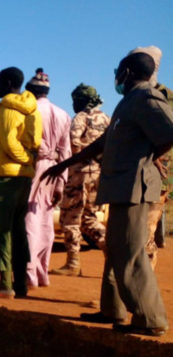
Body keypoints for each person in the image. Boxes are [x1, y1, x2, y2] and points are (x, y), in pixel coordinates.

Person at [42, 51, 173, 336]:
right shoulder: (127, 102)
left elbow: (169, 132)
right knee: (116, 250)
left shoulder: (147, 98)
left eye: (120, 70)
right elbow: (102, 142)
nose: (116, 75)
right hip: (119, 186)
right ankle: (112, 310)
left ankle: (150, 319)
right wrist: (63, 164)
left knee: (130, 253)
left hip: (134, 188)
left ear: (128, 72)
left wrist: (150, 157)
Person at [0, 67, 42, 299]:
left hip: (7, 176)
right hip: (24, 177)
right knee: (18, 229)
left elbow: (8, 142)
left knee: (1, 229)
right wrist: (29, 161)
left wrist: (24, 158)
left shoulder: (8, 107)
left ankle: (5, 284)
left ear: (8, 83)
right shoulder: (32, 108)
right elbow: (36, 139)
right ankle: (20, 283)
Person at [51, 84, 109, 276]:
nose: (73, 104)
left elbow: (74, 146)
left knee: (70, 217)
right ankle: (111, 251)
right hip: (98, 174)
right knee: (90, 218)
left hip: (79, 174)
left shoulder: (81, 118)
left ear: (83, 100)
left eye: (75, 100)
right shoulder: (106, 118)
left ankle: (73, 262)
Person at [22, 69, 71, 288]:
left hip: (33, 166)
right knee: (45, 222)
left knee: (29, 220)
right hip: (55, 168)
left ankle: (28, 273)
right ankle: (42, 273)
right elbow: (66, 152)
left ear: (30, 91)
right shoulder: (62, 114)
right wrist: (61, 182)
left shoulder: (28, 110)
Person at [130, 46, 172, 270]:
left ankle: (145, 295)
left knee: (145, 235)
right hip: (133, 178)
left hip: (157, 179)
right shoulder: (135, 97)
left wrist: (156, 154)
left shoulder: (164, 98)